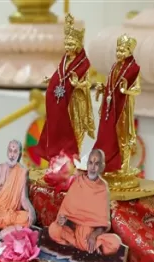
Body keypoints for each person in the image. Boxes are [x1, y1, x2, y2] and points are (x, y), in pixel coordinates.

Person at [29, 13, 95, 165]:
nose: (68, 47)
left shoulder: (83, 64)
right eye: (67, 44)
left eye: (72, 44)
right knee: (57, 128)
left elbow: (87, 83)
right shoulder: (64, 59)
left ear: (78, 45)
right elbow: (59, 74)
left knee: (74, 131)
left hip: (75, 102)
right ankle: (58, 159)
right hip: (60, 101)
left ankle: (73, 160)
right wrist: (51, 80)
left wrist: (77, 83)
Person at [47, 149, 122, 255]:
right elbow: (66, 212)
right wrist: (63, 220)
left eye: (97, 164)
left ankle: (85, 249)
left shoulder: (103, 187)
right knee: (53, 229)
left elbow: (103, 222)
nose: (93, 167)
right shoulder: (78, 181)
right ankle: (72, 246)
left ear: (102, 167)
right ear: (87, 164)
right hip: (73, 234)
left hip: (90, 239)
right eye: (90, 163)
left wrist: (94, 234)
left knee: (115, 242)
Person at [93, 34, 142, 174]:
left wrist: (126, 91)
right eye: (118, 50)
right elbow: (111, 86)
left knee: (123, 136)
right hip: (110, 106)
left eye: (122, 50)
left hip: (123, 108)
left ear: (129, 52)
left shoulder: (134, 69)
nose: (119, 53)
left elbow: (137, 89)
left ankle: (124, 166)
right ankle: (107, 163)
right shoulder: (114, 67)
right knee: (107, 134)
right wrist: (103, 88)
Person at [0, 139, 36, 232]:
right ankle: (9, 228)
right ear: (7, 152)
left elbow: (24, 199)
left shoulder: (22, 172)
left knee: (26, 218)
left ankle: (6, 227)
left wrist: (31, 211)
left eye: (15, 152)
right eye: (10, 151)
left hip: (10, 213)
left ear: (19, 154)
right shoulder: (0, 168)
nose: (12, 155)